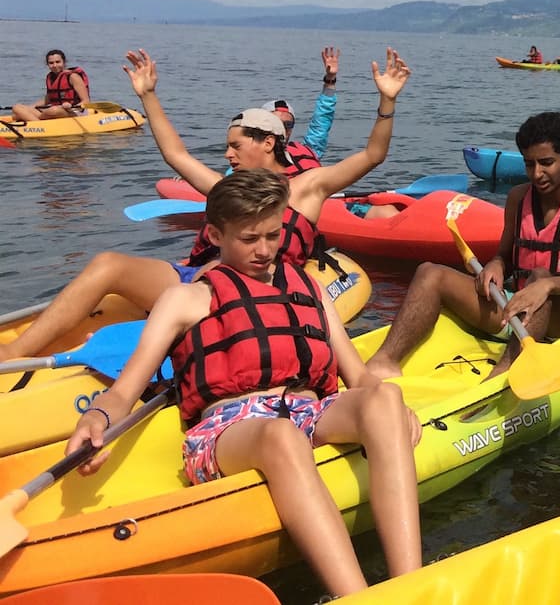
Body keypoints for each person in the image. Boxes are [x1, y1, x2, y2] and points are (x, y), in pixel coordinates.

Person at [64, 170, 422, 598]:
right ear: (216, 235)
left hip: (308, 412)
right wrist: (97, 417)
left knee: (384, 395)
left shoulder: (307, 286)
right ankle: (357, 597)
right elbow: (124, 390)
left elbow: (357, 376)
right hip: (228, 431)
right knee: (280, 435)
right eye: (250, 239)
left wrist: (392, 410)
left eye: (273, 235)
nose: (265, 250)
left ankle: (410, 587)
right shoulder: (186, 299)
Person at [0, 48, 410, 364]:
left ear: (268, 143)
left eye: (236, 146)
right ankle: (14, 354)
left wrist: (387, 102)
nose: (228, 155)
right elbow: (176, 155)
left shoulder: (308, 187)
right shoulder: (227, 189)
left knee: (203, 287)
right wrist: (148, 96)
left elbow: (373, 155)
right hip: (197, 278)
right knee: (108, 263)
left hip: (249, 291)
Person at [364, 112, 560, 381]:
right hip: (518, 307)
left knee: (540, 277)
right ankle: (384, 362)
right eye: (529, 164)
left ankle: (502, 375)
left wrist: (546, 285)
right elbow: (505, 256)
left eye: (546, 163)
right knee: (429, 273)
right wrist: (496, 265)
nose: (537, 173)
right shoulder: (518, 197)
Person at [258, 46, 342, 173]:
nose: (282, 129)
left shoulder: (309, 151)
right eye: (276, 123)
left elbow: (322, 120)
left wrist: (330, 80)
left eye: (288, 124)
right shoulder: (245, 163)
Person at [10, 49, 91, 122]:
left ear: (64, 62)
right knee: (17, 107)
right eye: (51, 63)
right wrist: (31, 107)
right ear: (47, 64)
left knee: (53, 110)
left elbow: (86, 101)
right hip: (55, 111)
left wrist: (71, 106)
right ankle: (39, 123)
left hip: (74, 111)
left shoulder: (73, 76)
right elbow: (48, 100)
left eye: (58, 62)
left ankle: (35, 121)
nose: (55, 65)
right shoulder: (51, 77)